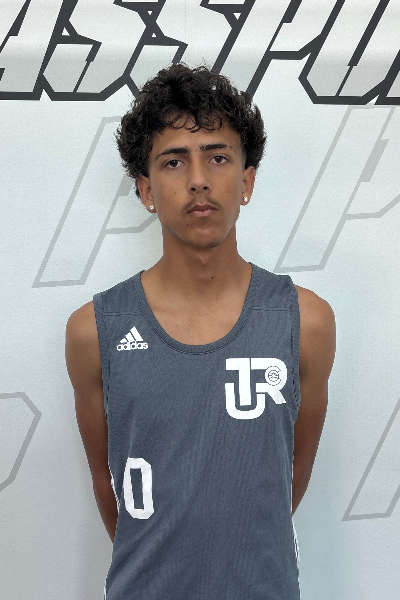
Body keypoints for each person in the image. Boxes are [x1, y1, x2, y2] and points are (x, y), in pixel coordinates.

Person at [65, 63, 336, 600]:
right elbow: (106, 483)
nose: (198, 179)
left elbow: (292, 474)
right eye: (173, 161)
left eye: (217, 156)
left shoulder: (306, 322)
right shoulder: (94, 332)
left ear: (247, 181)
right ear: (146, 189)